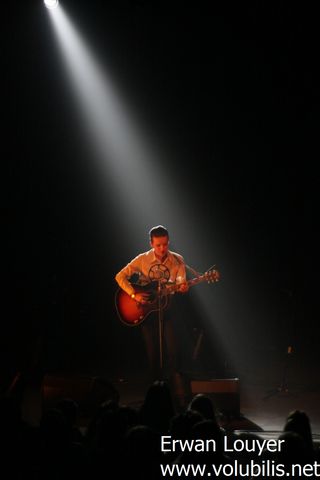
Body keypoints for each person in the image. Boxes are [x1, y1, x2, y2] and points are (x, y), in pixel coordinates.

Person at [115, 225, 189, 382]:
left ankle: (173, 387)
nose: (162, 248)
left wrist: (182, 286)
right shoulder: (143, 259)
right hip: (145, 309)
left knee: (172, 350)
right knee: (152, 353)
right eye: (158, 245)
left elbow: (180, 282)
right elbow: (120, 276)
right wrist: (134, 294)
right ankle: (155, 387)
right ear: (151, 244)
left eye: (165, 244)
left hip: (167, 308)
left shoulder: (177, 260)